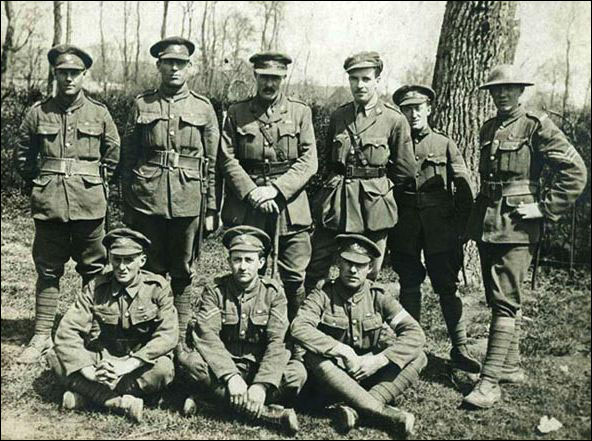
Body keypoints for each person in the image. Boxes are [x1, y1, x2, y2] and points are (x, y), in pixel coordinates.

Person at [463, 64, 587, 409]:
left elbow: (575, 171)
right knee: (497, 295)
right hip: (488, 220)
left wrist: (545, 208)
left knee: (504, 301)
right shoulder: (489, 127)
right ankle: (510, 366)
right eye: (496, 89)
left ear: (521, 91)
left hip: (517, 223)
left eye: (509, 88)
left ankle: (489, 384)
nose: (502, 94)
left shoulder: (536, 125)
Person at [15, 44, 120, 364]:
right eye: (64, 73)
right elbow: (22, 157)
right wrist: (42, 182)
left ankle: (92, 330)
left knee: (94, 269)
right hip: (50, 205)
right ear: (56, 74)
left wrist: (93, 183)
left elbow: (113, 155)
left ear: (84, 75)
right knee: (48, 269)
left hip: (89, 204)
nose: (69, 78)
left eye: (75, 73)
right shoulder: (38, 113)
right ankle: (41, 334)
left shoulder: (99, 113)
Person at [121, 36, 219, 347]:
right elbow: (127, 156)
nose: (174, 69)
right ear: (159, 66)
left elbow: (213, 163)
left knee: (183, 268)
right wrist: (128, 201)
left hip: (189, 199)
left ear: (190, 68)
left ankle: (180, 332)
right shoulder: (142, 104)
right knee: (148, 265)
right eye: (168, 63)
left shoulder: (203, 108)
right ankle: (148, 327)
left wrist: (212, 209)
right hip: (146, 198)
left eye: (181, 63)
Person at [292, 234, 426, 437]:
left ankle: (356, 410)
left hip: (367, 372)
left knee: (419, 356)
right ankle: (383, 414)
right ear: (338, 262)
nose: (353, 270)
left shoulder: (378, 295)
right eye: (348, 263)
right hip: (331, 377)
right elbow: (299, 327)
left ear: (370, 268)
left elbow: (414, 333)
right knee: (311, 356)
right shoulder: (323, 293)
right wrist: (341, 350)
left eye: (361, 265)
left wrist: (379, 360)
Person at [177, 226, 306, 434]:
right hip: (223, 369)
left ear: (261, 263)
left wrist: (262, 385)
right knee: (191, 365)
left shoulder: (274, 293)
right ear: (229, 262)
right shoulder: (215, 290)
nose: (242, 267)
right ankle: (269, 415)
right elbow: (206, 336)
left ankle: (210, 405)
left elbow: (278, 342)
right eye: (237, 260)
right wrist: (230, 376)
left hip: (258, 367)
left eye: (249, 260)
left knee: (296, 374)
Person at [388, 84, 481, 374]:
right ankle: (411, 347)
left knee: (446, 284)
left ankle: (460, 347)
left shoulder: (444, 143)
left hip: (440, 224)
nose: (413, 114)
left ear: (429, 109)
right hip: (405, 221)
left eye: (418, 108)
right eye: (407, 109)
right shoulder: (393, 142)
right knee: (409, 282)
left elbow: (463, 187)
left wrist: (462, 226)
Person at [218, 52, 317, 320]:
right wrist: (252, 193)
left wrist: (276, 190)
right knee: (248, 271)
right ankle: (248, 329)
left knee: (295, 275)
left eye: (275, 78)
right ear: (255, 77)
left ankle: (296, 334)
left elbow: (309, 161)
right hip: (248, 206)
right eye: (264, 78)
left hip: (290, 206)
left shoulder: (300, 112)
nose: (269, 84)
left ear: (283, 78)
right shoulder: (237, 113)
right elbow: (226, 159)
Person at [305, 51, 415, 291]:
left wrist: (379, 188)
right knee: (317, 265)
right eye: (354, 79)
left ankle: (365, 323)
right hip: (338, 203)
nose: (359, 85)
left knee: (369, 271)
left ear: (377, 80)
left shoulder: (393, 119)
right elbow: (328, 161)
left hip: (373, 206)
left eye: (366, 79)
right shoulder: (339, 116)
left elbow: (405, 171)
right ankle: (312, 320)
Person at [46, 228, 178, 422]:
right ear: (110, 259)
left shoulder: (157, 288)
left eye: (129, 260)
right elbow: (67, 331)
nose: (122, 267)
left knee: (164, 369)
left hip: (138, 363)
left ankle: (89, 395)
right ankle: (119, 402)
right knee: (55, 356)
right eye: (116, 259)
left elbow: (168, 335)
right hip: (102, 361)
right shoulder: (96, 287)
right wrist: (89, 371)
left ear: (141, 261)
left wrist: (128, 364)